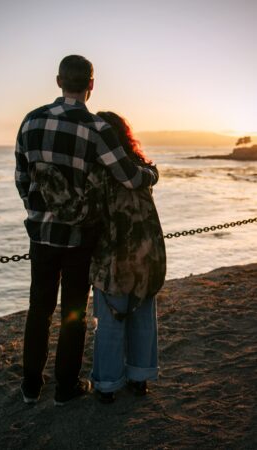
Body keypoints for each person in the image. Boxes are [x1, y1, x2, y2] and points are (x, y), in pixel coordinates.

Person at [15, 55, 158, 406]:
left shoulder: (31, 121)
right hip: (80, 236)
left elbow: (22, 178)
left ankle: (31, 386)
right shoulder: (97, 129)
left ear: (58, 81)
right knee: (73, 312)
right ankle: (66, 388)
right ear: (91, 85)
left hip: (41, 236)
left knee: (39, 309)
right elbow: (127, 176)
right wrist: (152, 175)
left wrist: (37, 212)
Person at [89, 112, 166, 403]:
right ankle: (139, 379)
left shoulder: (98, 171)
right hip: (147, 253)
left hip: (113, 257)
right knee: (143, 317)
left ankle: (107, 385)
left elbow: (91, 215)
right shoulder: (141, 168)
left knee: (110, 321)